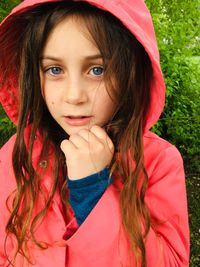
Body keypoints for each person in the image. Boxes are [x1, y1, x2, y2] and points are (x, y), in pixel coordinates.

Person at [0, 0, 189, 266]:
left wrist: (94, 189)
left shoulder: (159, 161)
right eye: (54, 70)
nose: (74, 95)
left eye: (97, 70)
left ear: (130, 74)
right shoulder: (15, 155)